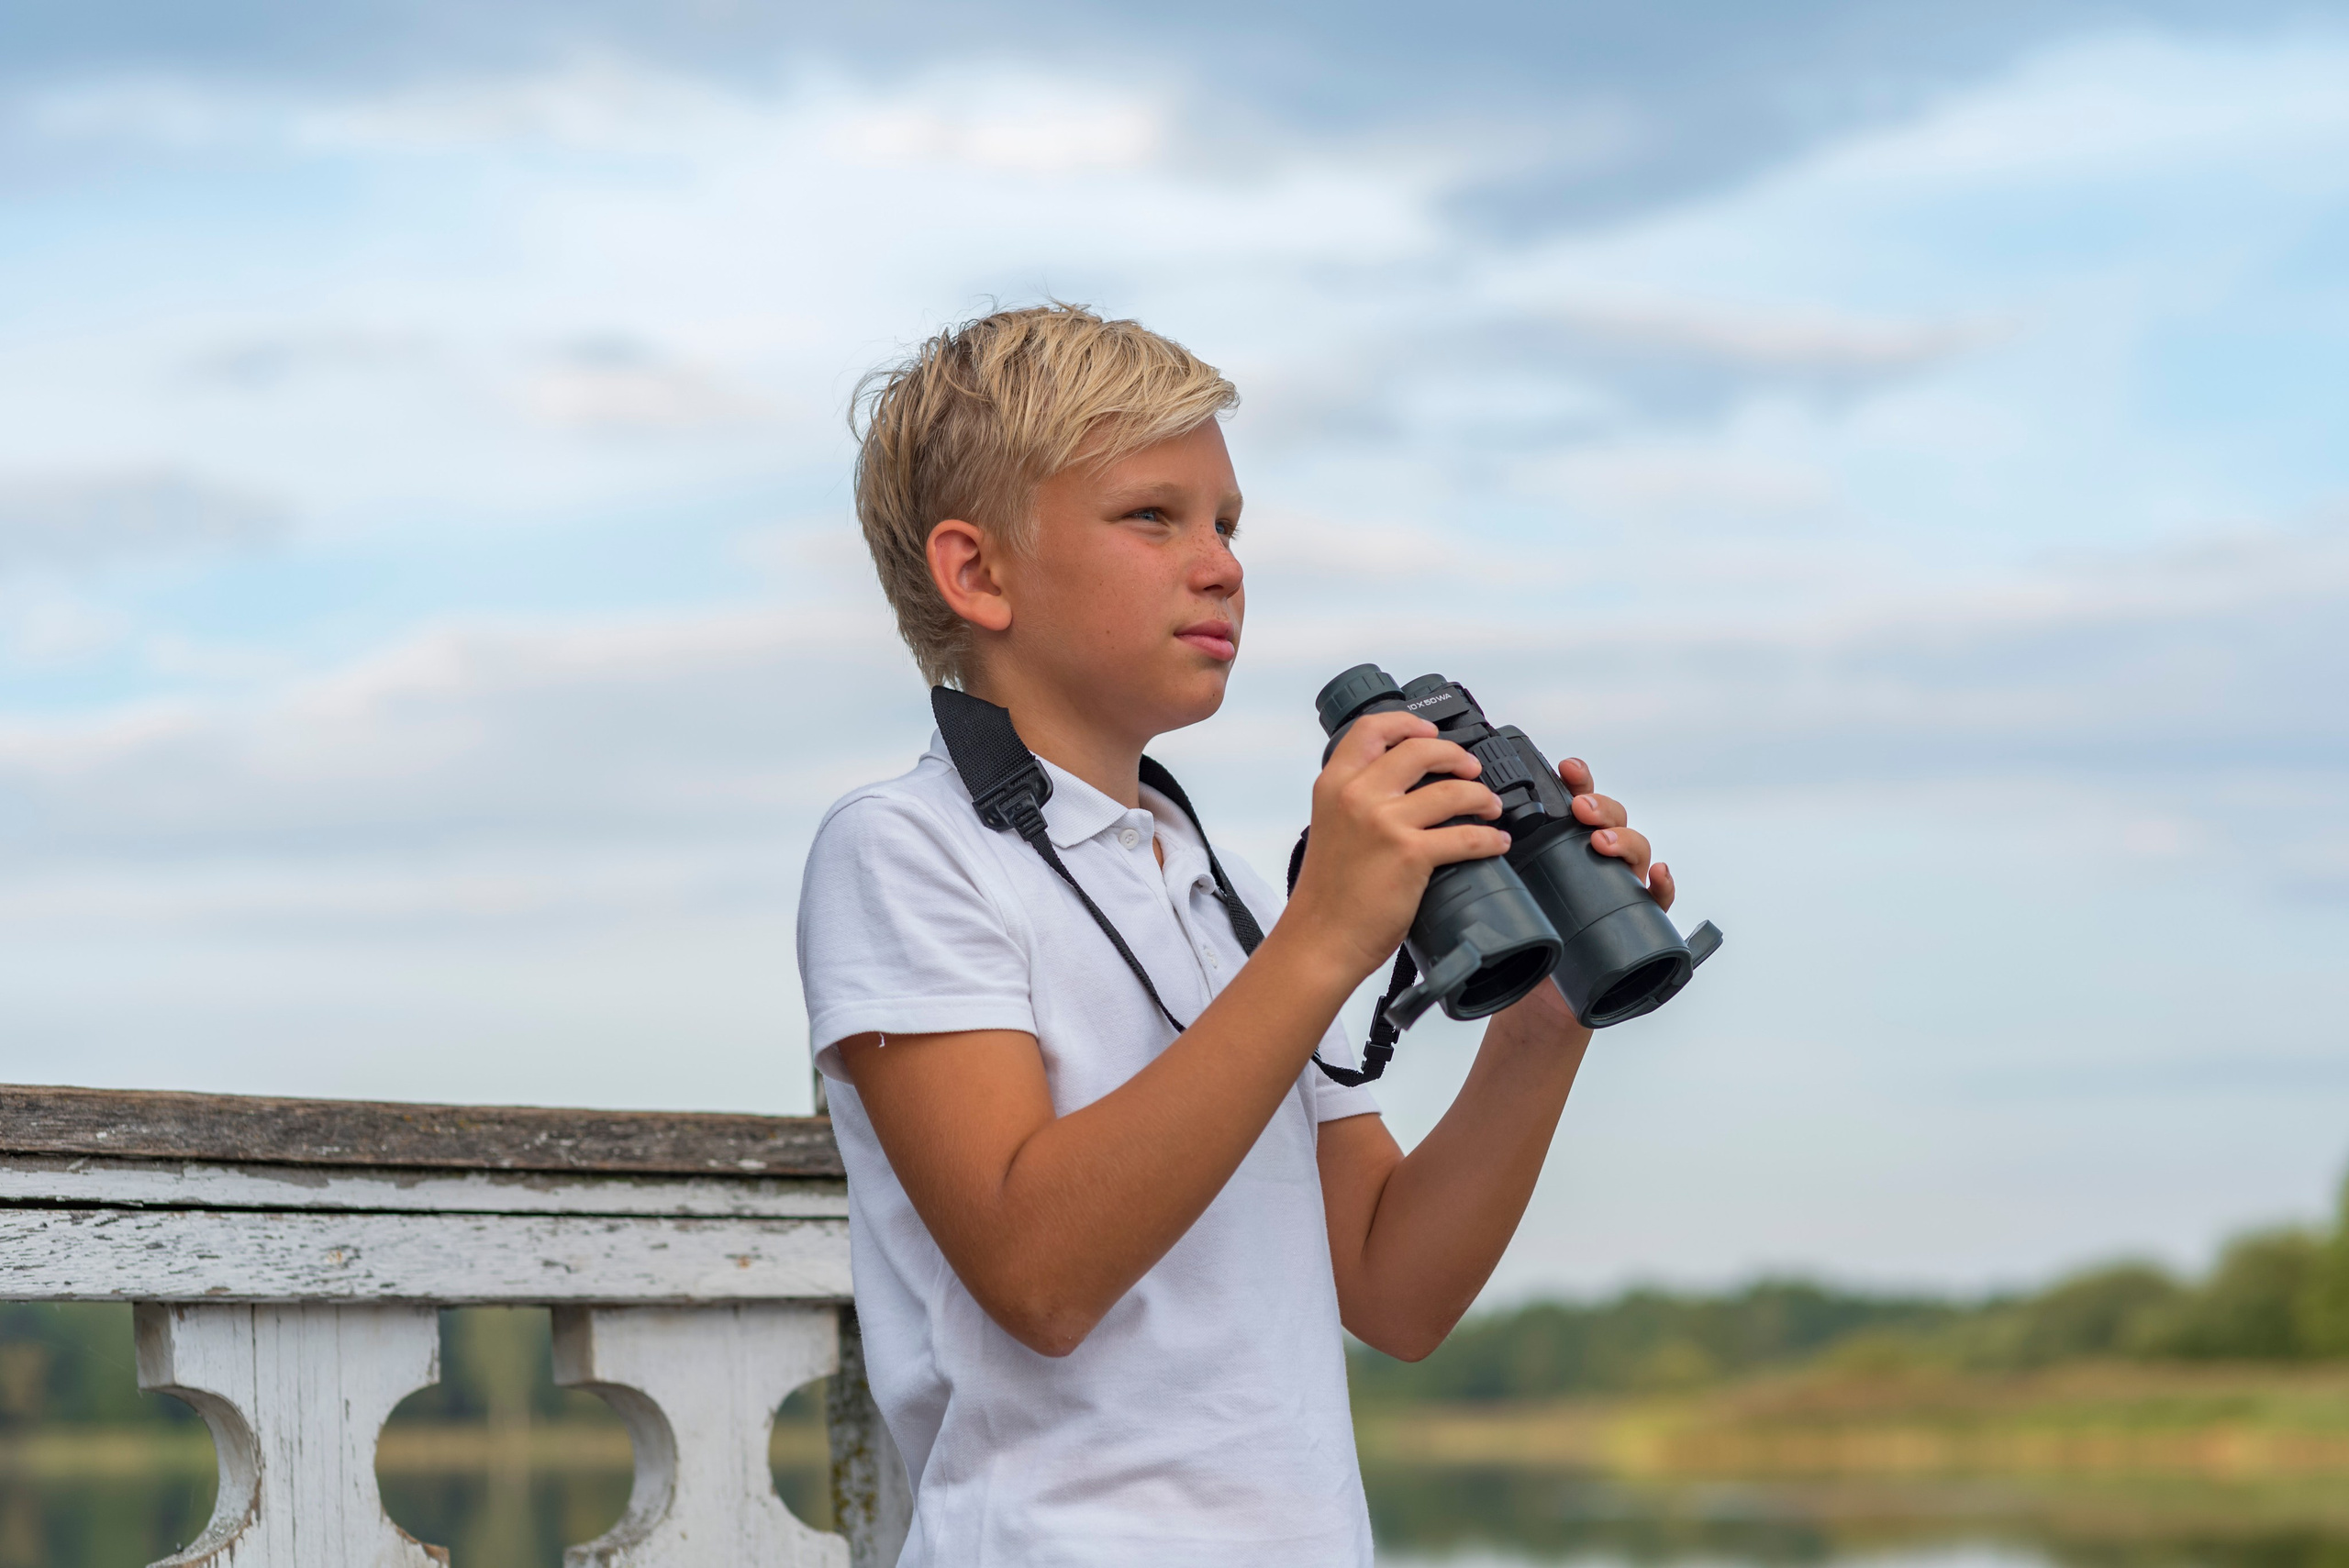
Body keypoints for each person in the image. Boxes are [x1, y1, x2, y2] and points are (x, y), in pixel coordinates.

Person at [797, 305, 1676, 1566]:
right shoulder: (902, 850)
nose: (1220, 566)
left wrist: (1547, 1017)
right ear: (977, 574)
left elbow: (1396, 1288)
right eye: (1153, 517)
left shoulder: (1227, 893)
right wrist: (1323, 938)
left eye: (1228, 524)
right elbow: (1040, 1276)